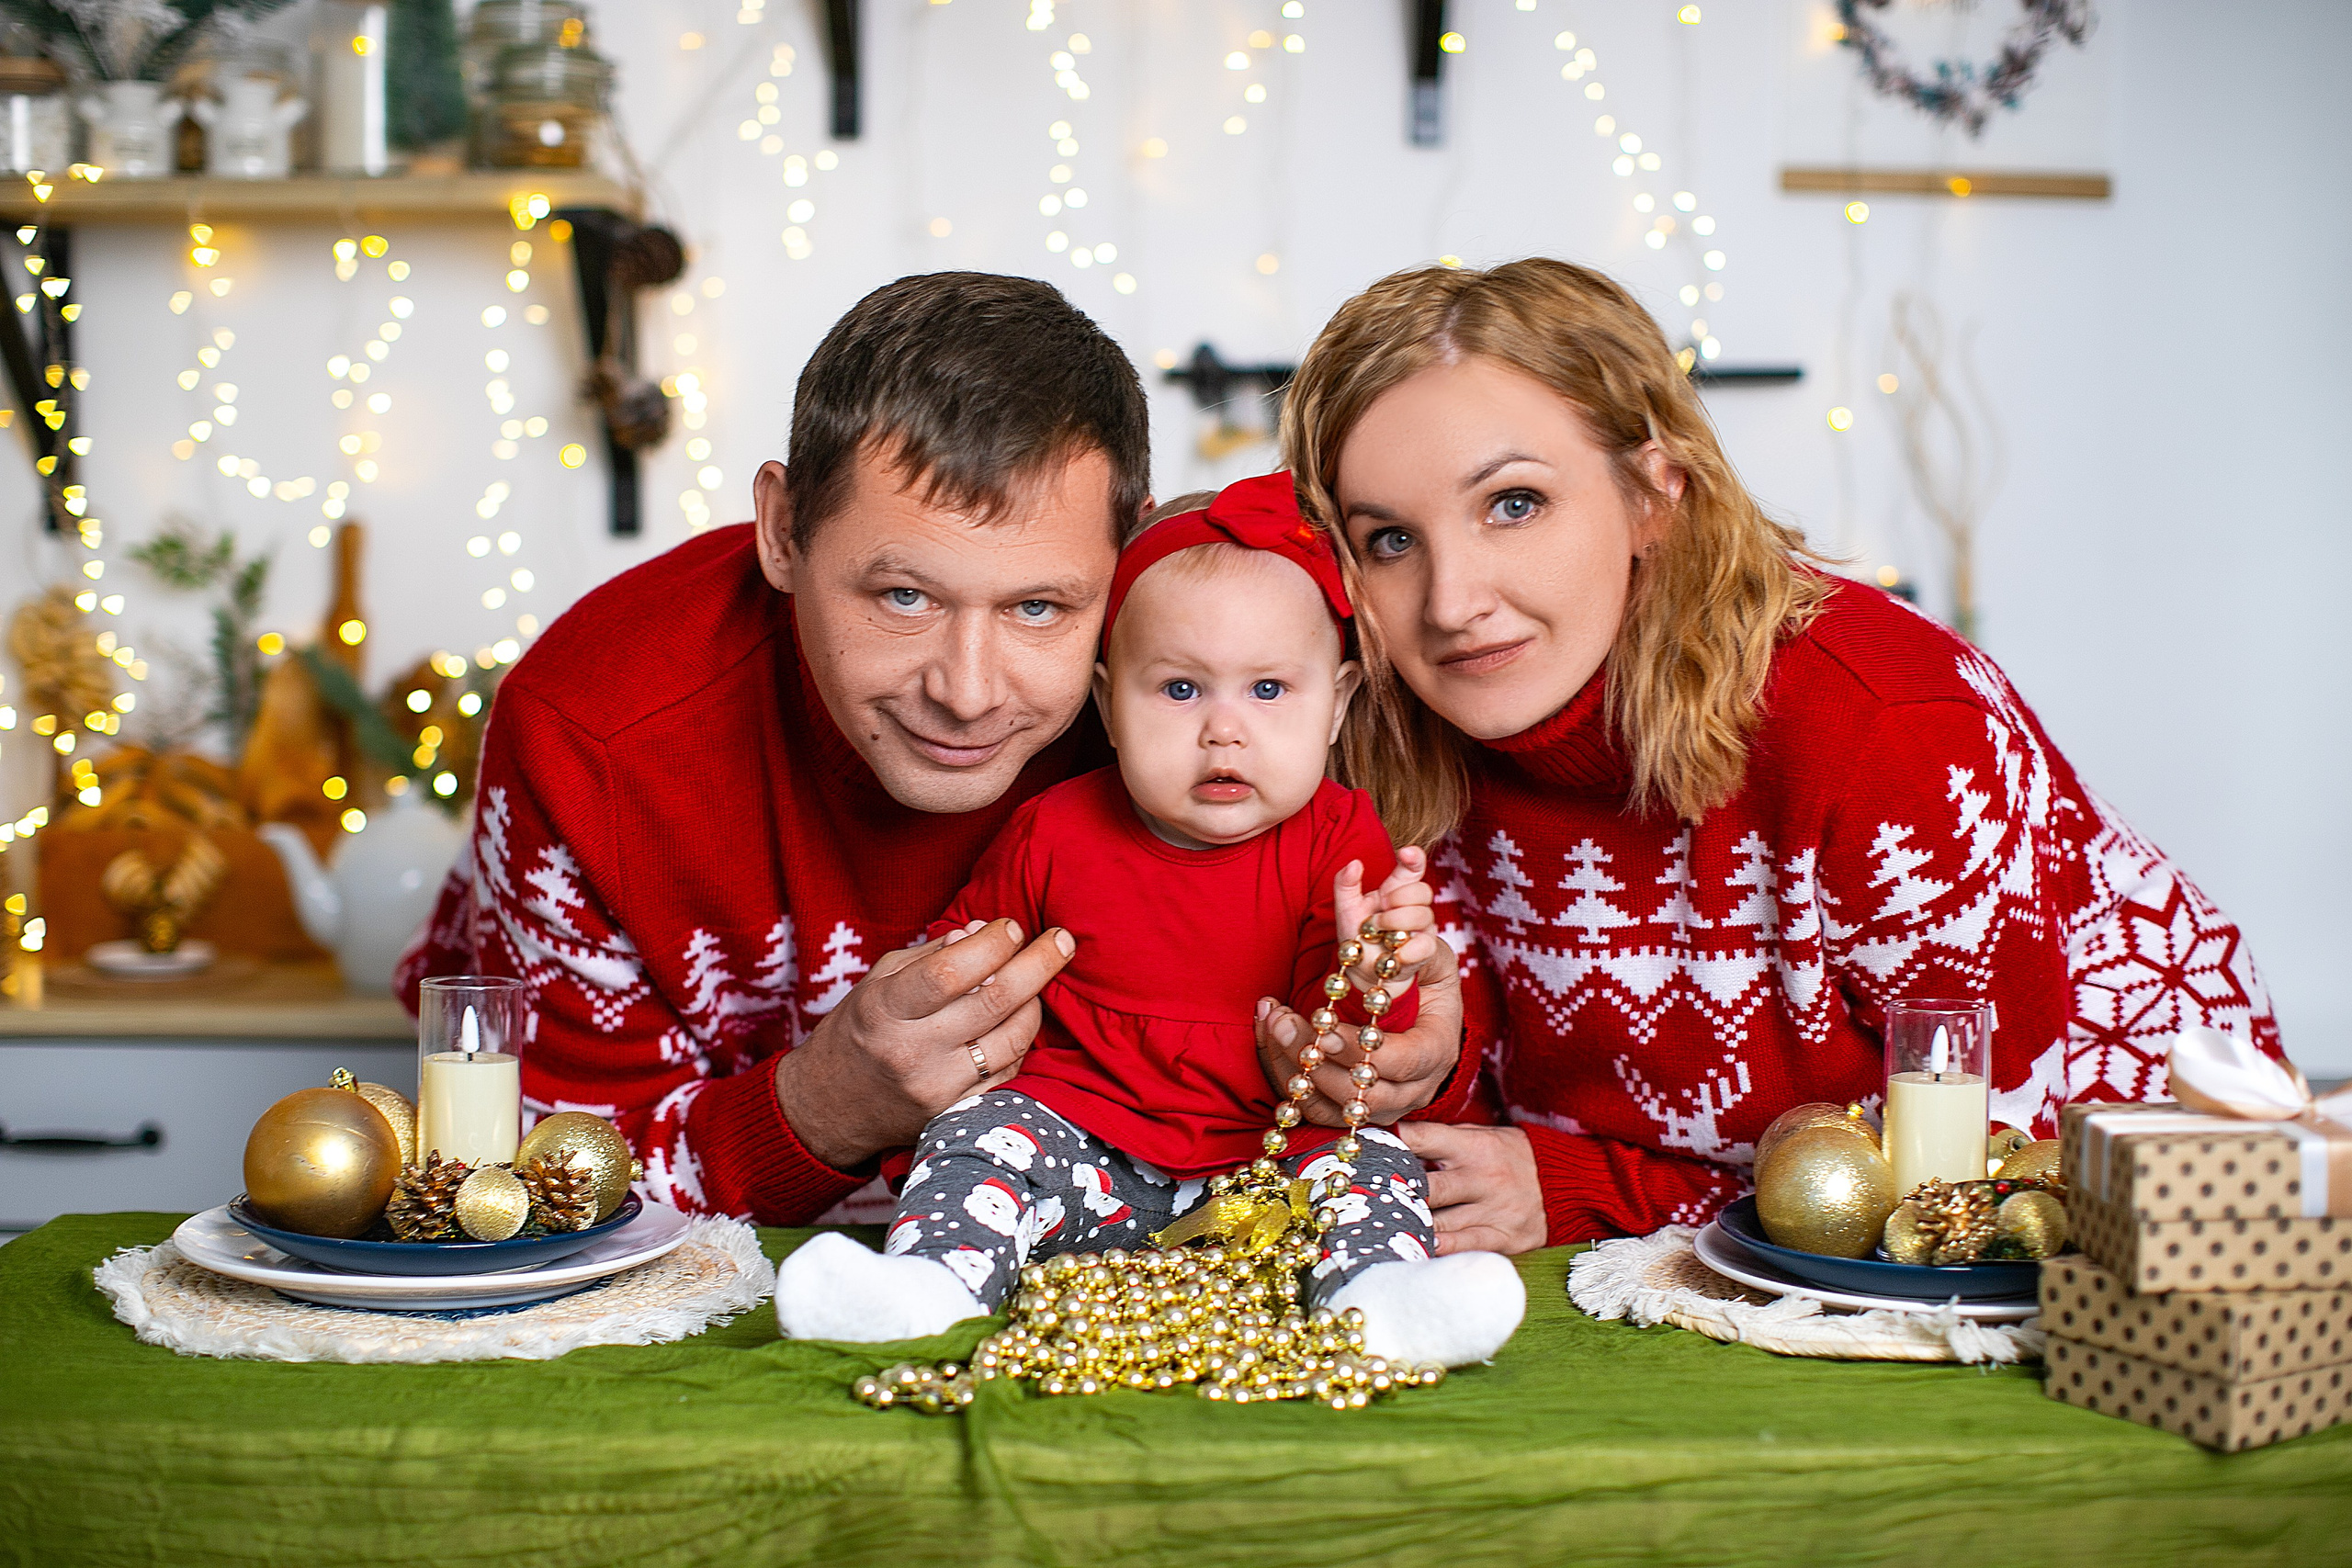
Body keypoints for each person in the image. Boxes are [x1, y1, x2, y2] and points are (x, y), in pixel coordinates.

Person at [396, 274, 1471, 1225]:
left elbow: (1400, 1027)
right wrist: (819, 1107)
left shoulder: (1209, 691)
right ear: (782, 531)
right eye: (902, 595)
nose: (965, 691)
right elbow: (525, 1188)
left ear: (1130, 553)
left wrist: (1414, 1052)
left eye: (1042, 606)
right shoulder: (593, 731)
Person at [1268, 256, 2284, 1254]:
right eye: (1392, 540)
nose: (1451, 602)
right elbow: (1485, 1101)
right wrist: (1399, 1061)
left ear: (1652, 495)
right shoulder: (1391, 722)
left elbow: (1983, 1175)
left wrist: (1600, 1191)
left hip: (2134, 1196)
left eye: (1514, 503)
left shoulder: (1887, 726)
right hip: (1736, 1211)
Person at [772, 476, 1523, 1367]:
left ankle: (1382, 1300)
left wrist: (1378, 970)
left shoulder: (1341, 839)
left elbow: (1363, 1053)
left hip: (1267, 1174)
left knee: (1371, 1165)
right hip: (1086, 1155)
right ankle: (928, 1284)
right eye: (1177, 690)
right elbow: (964, 972)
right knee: (979, 1137)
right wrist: (922, 993)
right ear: (1107, 704)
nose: (1223, 732)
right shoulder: (1052, 828)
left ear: (1339, 704)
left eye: (1271, 690)